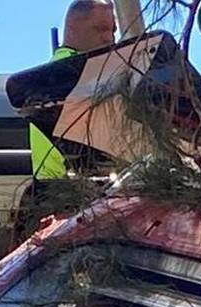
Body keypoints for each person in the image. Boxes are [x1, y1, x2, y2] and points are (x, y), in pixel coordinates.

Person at [30, 0, 118, 179]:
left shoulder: (56, 74)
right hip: (68, 189)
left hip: (60, 189)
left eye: (113, 30)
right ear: (72, 29)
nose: (109, 38)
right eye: (100, 29)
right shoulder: (68, 74)